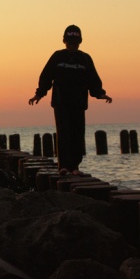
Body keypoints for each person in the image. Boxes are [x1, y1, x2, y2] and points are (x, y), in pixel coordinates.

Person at [28, 24, 112, 176]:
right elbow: (46, 76)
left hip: (79, 104)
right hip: (60, 103)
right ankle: (63, 166)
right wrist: (39, 94)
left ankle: (75, 167)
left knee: (77, 134)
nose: (72, 45)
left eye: (75, 43)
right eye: (70, 42)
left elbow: (93, 79)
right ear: (64, 42)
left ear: (80, 42)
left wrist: (100, 94)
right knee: (63, 133)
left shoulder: (85, 59)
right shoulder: (57, 57)